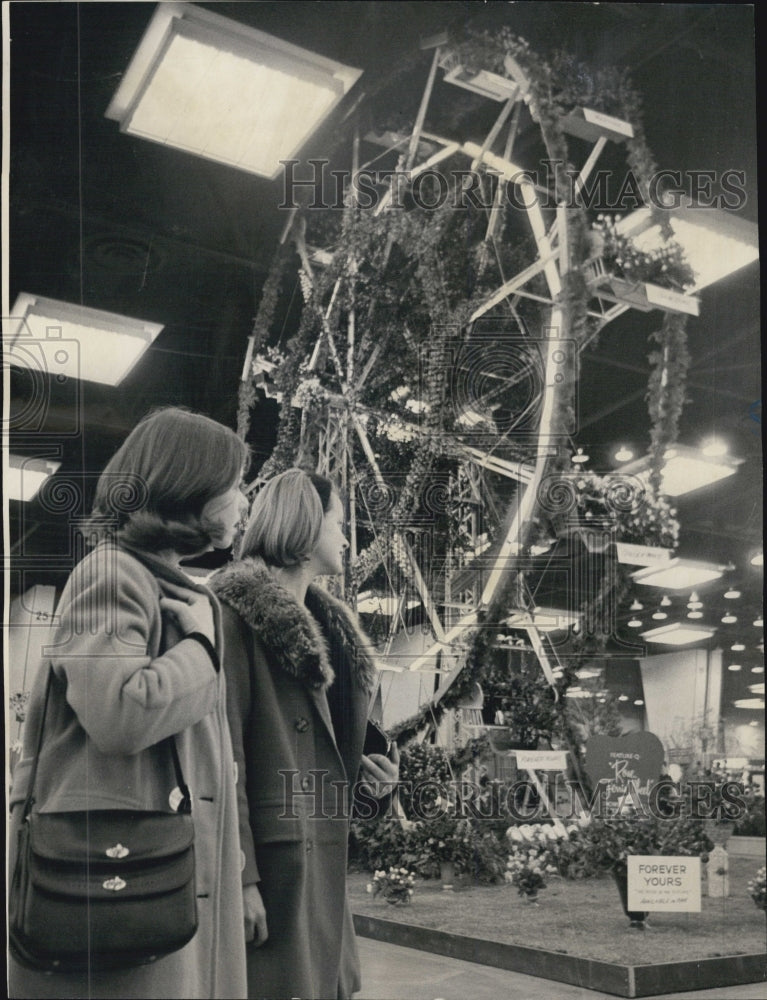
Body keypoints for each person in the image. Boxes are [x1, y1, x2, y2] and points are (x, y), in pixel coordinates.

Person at [8, 407, 250, 1000]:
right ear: (187, 487)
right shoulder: (112, 576)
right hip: (113, 875)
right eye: (234, 485)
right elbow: (119, 713)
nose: (244, 502)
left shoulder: (165, 584)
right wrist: (200, 647)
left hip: (145, 872)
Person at [210, 468, 399, 1000]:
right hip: (274, 875)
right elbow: (227, 761)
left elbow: (322, 762)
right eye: (339, 522)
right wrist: (241, 876)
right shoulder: (232, 619)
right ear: (307, 523)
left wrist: (371, 788)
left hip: (319, 877)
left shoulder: (334, 638)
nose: (345, 537)